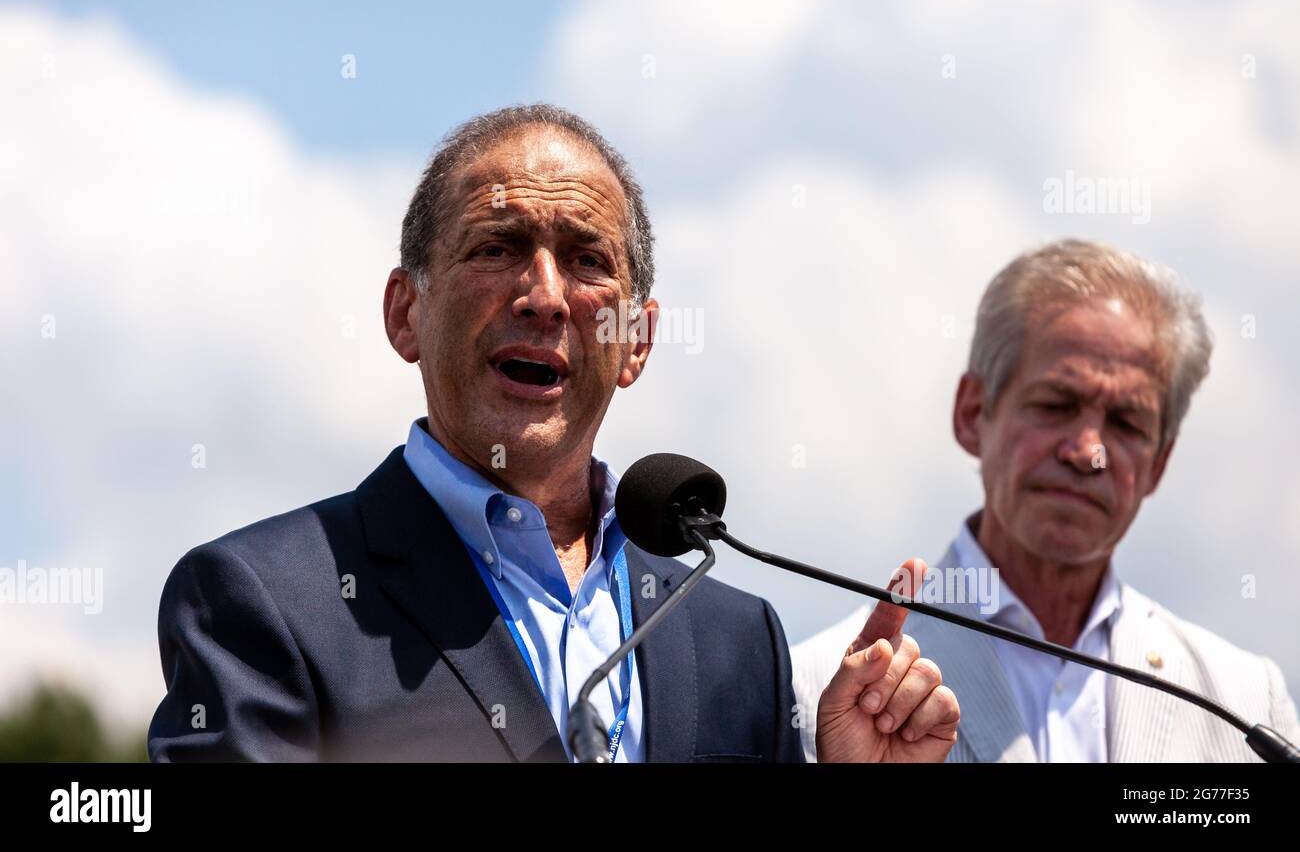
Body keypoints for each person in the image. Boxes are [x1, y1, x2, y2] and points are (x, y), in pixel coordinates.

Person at [148, 104, 959, 762]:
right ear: (406, 314)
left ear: (635, 342)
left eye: (586, 261)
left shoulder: (735, 640)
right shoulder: (263, 601)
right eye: (497, 248)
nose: (544, 295)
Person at [793, 239, 1299, 762]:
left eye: (1127, 424)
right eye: (1056, 404)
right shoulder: (821, 689)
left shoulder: (1243, 702)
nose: (1088, 453)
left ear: (1159, 462)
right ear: (972, 413)